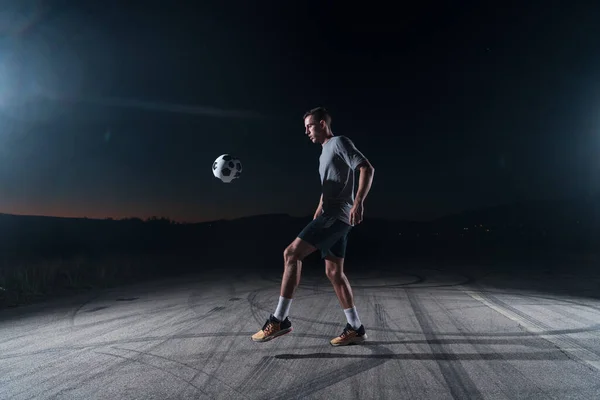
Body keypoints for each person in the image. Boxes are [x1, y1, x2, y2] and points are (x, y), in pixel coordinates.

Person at [251, 107, 375, 346]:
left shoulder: (339, 142)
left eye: (309, 125)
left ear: (321, 123)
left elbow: (366, 168)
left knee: (291, 254)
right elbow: (330, 184)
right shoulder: (323, 153)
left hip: (337, 216)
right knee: (334, 273)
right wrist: (319, 207)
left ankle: (279, 320)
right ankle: (356, 327)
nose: (306, 131)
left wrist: (358, 202)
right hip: (332, 216)